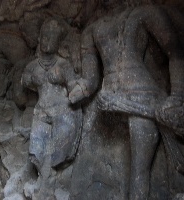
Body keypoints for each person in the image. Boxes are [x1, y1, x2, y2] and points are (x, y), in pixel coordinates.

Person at [69, 0, 184, 199]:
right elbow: (91, 80)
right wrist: (73, 90)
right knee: (85, 163)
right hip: (106, 100)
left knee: (139, 173)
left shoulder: (144, 13)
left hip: (141, 98)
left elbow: (176, 54)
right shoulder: (92, 30)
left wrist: (176, 97)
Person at [22, 18, 82, 174]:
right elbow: (24, 83)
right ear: (39, 38)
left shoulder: (64, 65)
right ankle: (44, 182)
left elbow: (73, 89)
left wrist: (76, 87)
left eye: (52, 37)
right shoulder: (32, 66)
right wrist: (30, 79)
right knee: (36, 153)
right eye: (44, 36)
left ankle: (50, 181)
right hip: (41, 112)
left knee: (57, 155)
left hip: (62, 112)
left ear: (58, 43)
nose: (47, 40)